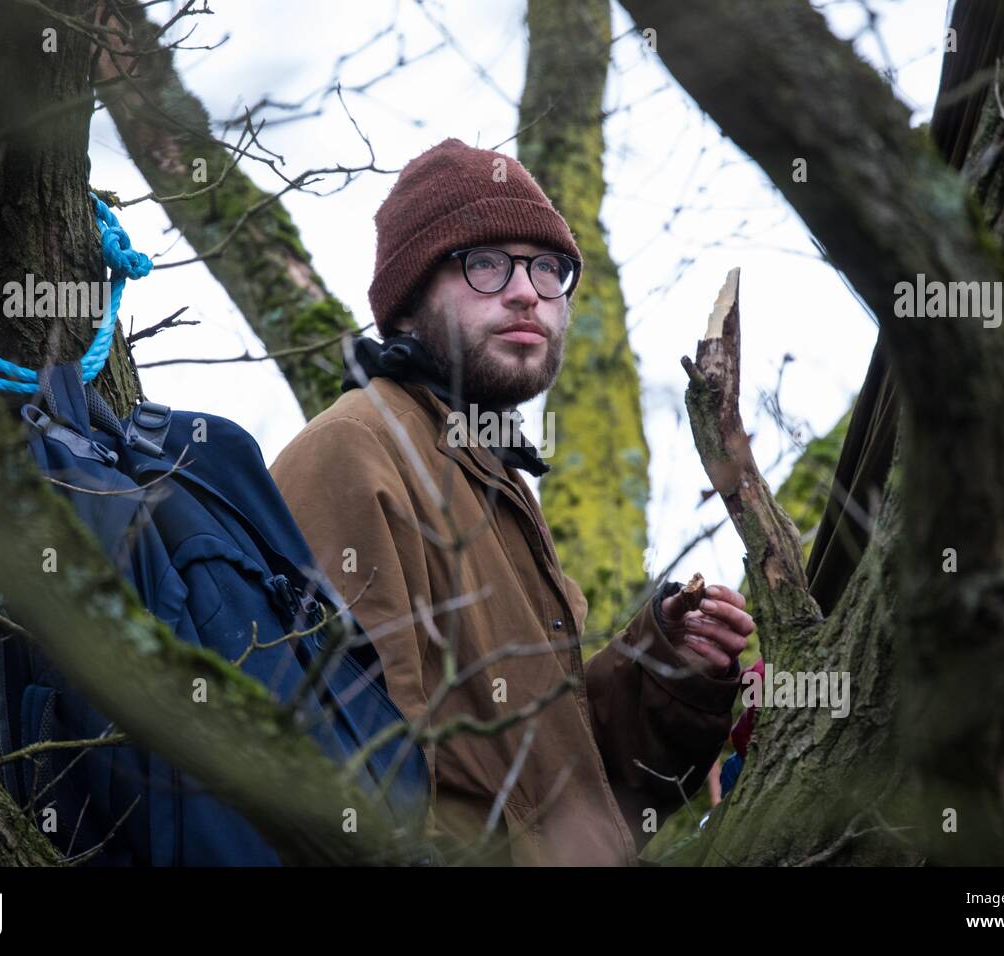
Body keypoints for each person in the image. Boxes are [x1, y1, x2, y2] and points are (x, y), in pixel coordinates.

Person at [269, 138, 754, 865]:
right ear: (405, 308)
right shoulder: (355, 451)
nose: (527, 290)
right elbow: (356, 783)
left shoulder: (491, 475)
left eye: (548, 268)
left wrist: (665, 666)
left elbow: (564, 797)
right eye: (486, 263)